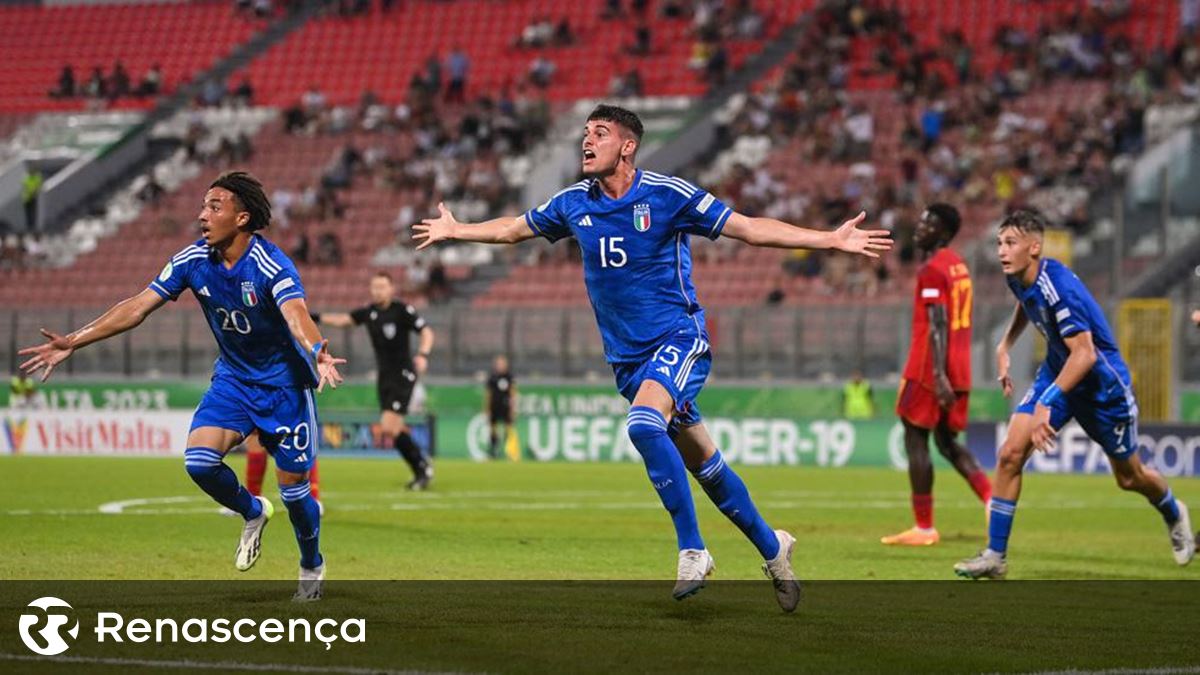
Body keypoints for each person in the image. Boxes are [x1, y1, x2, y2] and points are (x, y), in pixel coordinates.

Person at [414, 104, 892, 610]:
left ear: (627, 146)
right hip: (628, 360)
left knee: (643, 424)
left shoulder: (667, 195)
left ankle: (692, 549)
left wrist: (828, 240)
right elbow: (513, 229)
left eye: (600, 133)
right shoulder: (574, 202)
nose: (586, 141)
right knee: (707, 466)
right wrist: (456, 229)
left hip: (679, 339)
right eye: (585, 133)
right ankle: (775, 550)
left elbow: (748, 228)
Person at [18, 172, 344, 600]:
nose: (202, 215)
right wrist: (75, 341)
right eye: (204, 206)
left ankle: (310, 566)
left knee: (297, 494)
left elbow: (296, 313)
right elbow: (137, 306)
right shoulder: (192, 259)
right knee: (199, 463)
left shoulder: (270, 264)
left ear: (242, 217)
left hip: (284, 388)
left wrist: (317, 348)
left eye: (214, 207)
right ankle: (253, 510)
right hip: (234, 381)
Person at [954, 210, 1194, 579]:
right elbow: (1027, 303)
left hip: (1102, 386)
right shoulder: (1018, 275)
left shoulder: (1060, 288)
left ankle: (1172, 510)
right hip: (1058, 371)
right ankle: (995, 556)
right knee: (1009, 455)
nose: (1001, 250)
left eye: (1010, 243)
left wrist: (1047, 403)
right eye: (999, 242)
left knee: (1130, 478)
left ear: (1034, 247)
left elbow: (1085, 354)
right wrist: (1005, 343)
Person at [882, 204, 992, 547]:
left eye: (929, 223)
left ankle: (924, 527)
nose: (920, 226)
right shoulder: (959, 265)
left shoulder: (932, 269)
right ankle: (994, 501)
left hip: (930, 367)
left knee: (915, 438)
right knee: (946, 441)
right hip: (960, 365)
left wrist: (938, 374)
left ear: (944, 232)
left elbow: (937, 321)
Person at [313, 272, 436, 490]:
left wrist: (423, 355)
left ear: (391, 289)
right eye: (375, 287)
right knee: (392, 428)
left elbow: (426, 332)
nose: (378, 291)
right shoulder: (368, 312)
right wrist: (316, 317)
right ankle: (422, 465)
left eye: (382, 286)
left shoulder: (402, 310)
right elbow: (344, 320)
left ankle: (422, 467)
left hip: (403, 373)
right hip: (385, 376)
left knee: (389, 425)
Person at [485, 355, 517, 460]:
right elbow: (488, 394)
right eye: (498, 363)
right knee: (493, 429)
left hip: (506, 406)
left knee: (508, 428)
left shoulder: (509, 377)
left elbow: (513, 393)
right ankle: (494, 450)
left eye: (502, 363)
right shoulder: (492, 378)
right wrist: (487, 408)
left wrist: (513, 408)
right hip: (494, 406)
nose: (500, 366)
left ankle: (509, 451)